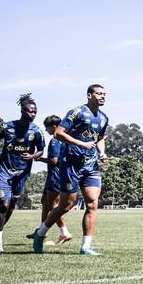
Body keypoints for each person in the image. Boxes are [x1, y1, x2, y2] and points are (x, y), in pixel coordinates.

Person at [33, 84, 109, 255]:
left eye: (104, 94)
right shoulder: (77, 112)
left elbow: (100, 138)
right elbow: (59, 133)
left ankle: (86, 247)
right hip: (71, 165)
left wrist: (102, 152)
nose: (103, 96)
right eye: (99, 93)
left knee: (92, 203)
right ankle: (40, 233)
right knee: (66, 205)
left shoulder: (104, 117)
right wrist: (81, 144)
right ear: (89, 95)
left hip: (91, 165)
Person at [0, 93, 45, 252]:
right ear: (22, 111)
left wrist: (32, 156)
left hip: (22, 173)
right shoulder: (6, 127)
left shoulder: (36, 131)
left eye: (35, 112)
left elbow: (41, 150)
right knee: (4, 205)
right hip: (4, 171)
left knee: (11, 206)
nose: (33, 114)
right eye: (30, 111)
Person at [26, 115, 72, 244]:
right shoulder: (66, 138)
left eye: (47, 128)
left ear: (54, 127)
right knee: (45, 202)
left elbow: (54, 160)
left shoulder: (55, 140)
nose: (46, 130)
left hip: (56, 176)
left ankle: (64, 233)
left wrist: (39, 158)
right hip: (57, 175)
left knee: (53, 207)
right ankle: (41, 229)